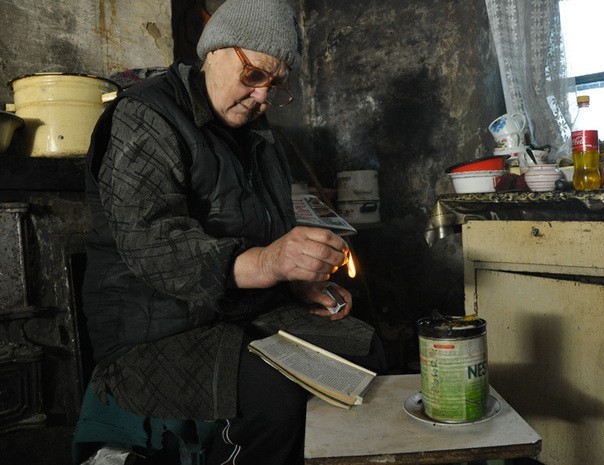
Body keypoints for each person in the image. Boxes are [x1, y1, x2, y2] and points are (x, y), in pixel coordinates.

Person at [75, 0, 385, 464]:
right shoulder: (145, 116)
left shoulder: (257, 133)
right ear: (215, 51)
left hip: (239, 316)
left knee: (363, 352)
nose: (262, 97)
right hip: (154, 330)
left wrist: (296, 281)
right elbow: (152, 245)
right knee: (271, 396)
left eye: (274, 85)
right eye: (254, 75)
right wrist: (268, 263)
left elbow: (268, 232)